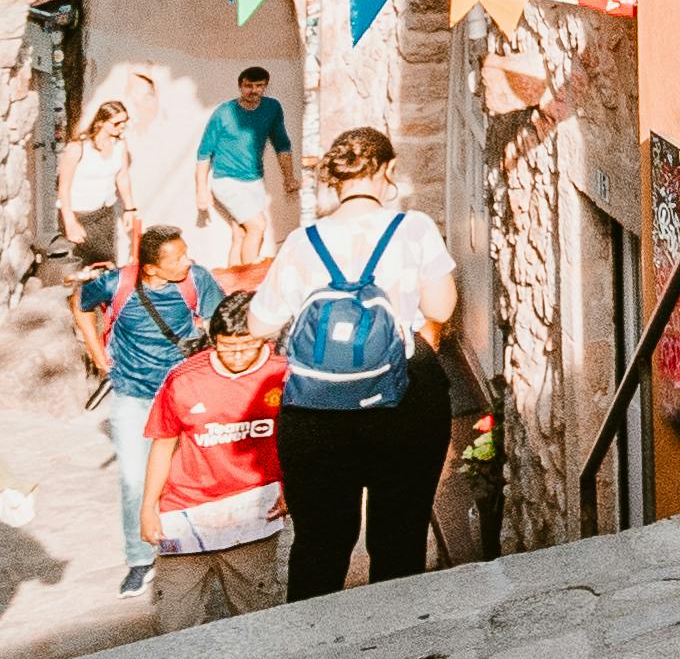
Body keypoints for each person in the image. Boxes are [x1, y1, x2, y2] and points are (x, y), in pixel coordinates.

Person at [263, 127, 467, 596]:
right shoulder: (413, 228)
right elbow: (439, 310)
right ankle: (393, 653)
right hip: (404, 395)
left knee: (319, 543)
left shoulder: (301, 240)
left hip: (317, 405)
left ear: (335, 179)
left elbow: (260, 322)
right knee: (399, 538)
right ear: (389, 172)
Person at [76, 218, 217, 596]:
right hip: (134, 397)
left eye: (186, 253)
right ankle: (140, 560)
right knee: (135, 481)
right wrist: (96, 351)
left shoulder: (196, 280)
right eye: (178, 258)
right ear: (151, 267)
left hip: (184, 397)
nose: (187, 261)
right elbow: (81, 303)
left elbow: (220, 326)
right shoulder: (117, 283)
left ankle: (197, 550)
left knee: (190, 476)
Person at [144, 292, 290, 629]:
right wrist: (148, 506)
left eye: (246, 346)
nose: (236, 356)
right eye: (226, 348)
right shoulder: (184, 379)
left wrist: (290, 487)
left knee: (257, 611)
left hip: (255, 511)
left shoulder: (283, 376)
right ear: (214, 341)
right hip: (185, 511)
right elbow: (163, 444)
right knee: (173, 619)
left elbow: (296, 440)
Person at [193, 64, 290, 283]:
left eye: (259, 86)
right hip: (226, 181)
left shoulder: (272, 108)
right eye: (249, 86)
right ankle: (250, 283)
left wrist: (289, 177)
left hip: (254, 179)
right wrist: (201, 190)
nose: (254, 91)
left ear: (265, 87)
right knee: (257, 226)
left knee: (240, 233)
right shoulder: (224, 113)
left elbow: (282, 144)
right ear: (240, 86)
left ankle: (233, 287)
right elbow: (204, 153)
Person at [54, 91, 139, 272]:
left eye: (125, 122)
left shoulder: (120, 146)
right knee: (83, 268)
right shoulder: (78, 148)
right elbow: (64, 187)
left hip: (104, 212)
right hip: (79, 214)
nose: (122, 127)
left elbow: (122, 177)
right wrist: (69, 221)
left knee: (107, 264)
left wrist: (130, 209)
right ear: (101, 122)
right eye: (117, 123)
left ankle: (105, 298)